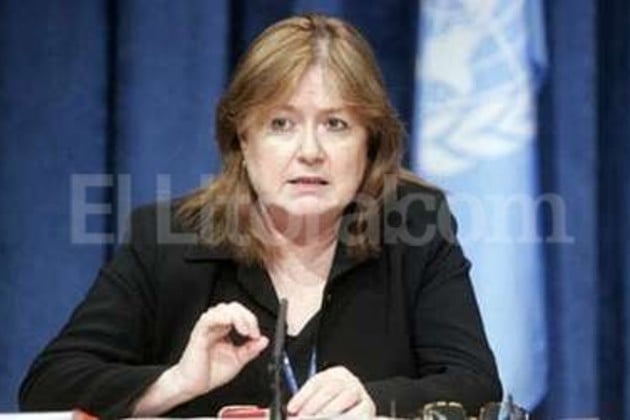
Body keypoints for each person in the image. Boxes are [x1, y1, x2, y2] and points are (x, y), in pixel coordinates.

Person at [19, 13, 501, 419]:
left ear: (370, 143)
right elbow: (48, 386)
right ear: (243, 141)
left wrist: (377, 402)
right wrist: (177, 382)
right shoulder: (169, 239)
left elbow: (477, 386)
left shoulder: (415, 227)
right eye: (281, 124)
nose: (309, 151)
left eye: (335, 124)